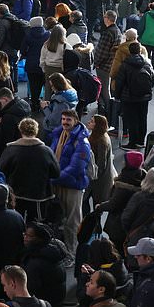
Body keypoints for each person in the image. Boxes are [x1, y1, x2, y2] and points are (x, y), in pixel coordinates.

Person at [48, 109, 91, 257]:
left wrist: (54, 177)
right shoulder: (58, 134)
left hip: (73, 185)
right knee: (58, 217)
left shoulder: (82, 141)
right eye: (63, 119)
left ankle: (72, 253)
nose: (65, 122)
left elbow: (77, 167)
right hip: (58, 181)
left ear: (76, 121)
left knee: (72, 221)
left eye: (68, 120)